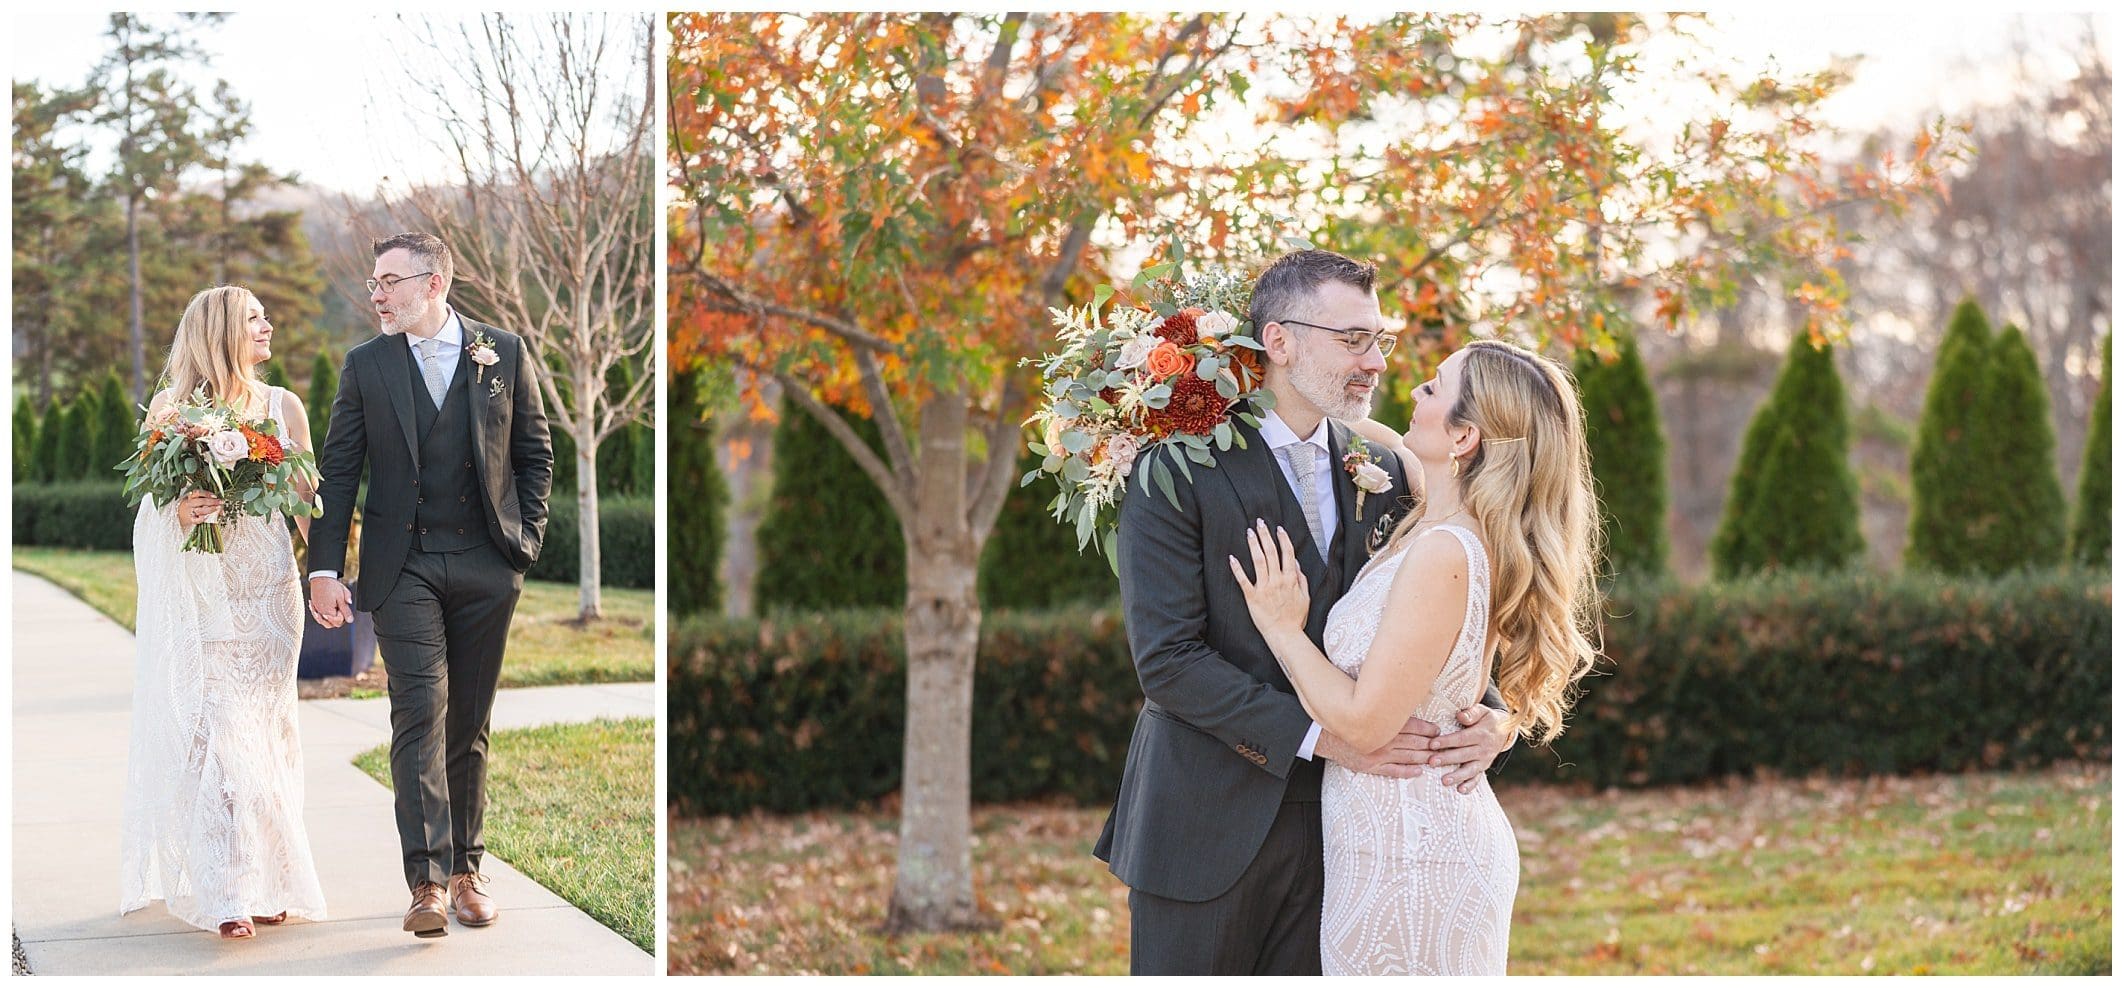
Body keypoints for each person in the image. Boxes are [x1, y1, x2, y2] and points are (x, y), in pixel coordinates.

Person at [1095, 249, 1515, 974]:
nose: (1376, 362)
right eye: (1353, 340)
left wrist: (1494, 717)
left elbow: (1431, 616)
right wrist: (1326, 737)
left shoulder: (1388, 476)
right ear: (1279, 342)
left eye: (1378, 340)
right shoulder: (1176, 469)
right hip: (1203, 827)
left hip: (1348, 847)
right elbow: (1167, 661)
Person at [1230, 337, 1603, 974]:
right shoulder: (1433, 512)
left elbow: (1366, 722)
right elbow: (1347, 421)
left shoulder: (1446, 553)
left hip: (1414, 854)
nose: (1413, 393)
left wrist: (1282, 628)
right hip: (1382, 838)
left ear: (1464, 438)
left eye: (1432, 388)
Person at [306, 232, 554, 938]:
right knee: (419, 716)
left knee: (468, 727)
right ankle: (427, 884)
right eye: (374, 283)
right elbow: (339, 470)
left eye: (388, 282)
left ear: (434, 282)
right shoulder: (366, 366)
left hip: (487, 564)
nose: (375, 295)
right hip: (402, 567)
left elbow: (536, 454)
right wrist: (324, 570)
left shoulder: (502, 353)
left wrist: (522, 544)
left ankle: (469, 869)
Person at [120, 286, 328, 940]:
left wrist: (327, 571)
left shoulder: (282, 406)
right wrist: (179, 511)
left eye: (268, 314)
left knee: (266, 738)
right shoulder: (170, 409)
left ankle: (270, 885)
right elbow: (150, 508)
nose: (269, 326)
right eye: (254, 318)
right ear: (220, 332)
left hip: (268, 591)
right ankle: (227, 891)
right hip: (204, 593)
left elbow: (306, 502)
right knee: (219, 743)